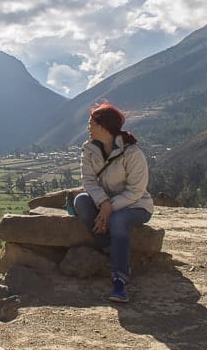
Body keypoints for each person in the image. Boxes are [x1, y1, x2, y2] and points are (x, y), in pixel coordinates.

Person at [74, 102, 153, 303]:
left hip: (136, 206)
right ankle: (109, 247)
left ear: (103, 127)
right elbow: (89, 181)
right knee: (81, 202)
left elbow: (136, 191)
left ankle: (119, 279)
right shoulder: (89, 150)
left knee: (118, 220)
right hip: (106, 204)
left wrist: (110, 207)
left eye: (90, 123)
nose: (88, 127)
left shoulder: (133, 153)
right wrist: (104, 204)